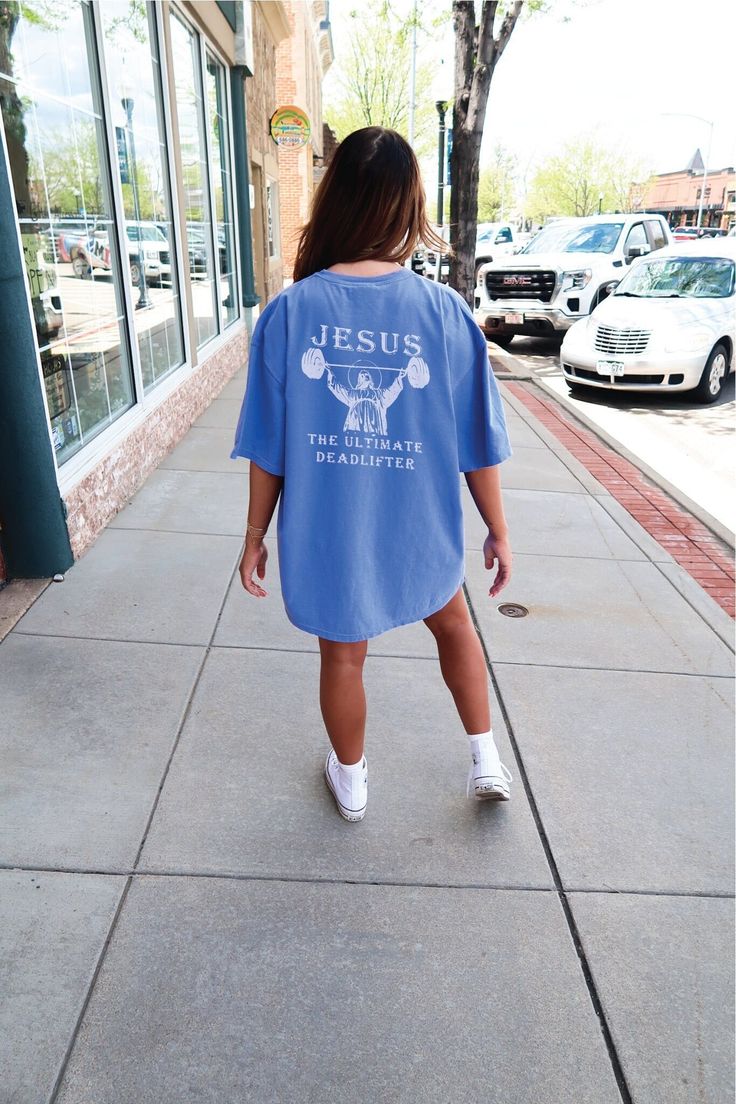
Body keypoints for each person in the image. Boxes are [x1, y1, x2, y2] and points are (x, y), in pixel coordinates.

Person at [232, 126, 513, 823]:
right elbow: (477, 440)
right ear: (406, 208)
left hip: (334, 531)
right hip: (419, 525)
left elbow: (269, 446)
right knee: (455, 627)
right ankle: (487, 759)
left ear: (338, 203)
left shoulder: (290, 314)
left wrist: (254, 533)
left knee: (343, 657)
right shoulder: (446, 314)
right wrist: (498, 529)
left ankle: (352, 780)